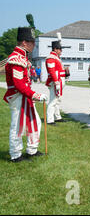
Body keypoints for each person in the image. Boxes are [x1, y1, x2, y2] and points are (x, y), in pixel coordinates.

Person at [4, 27, 48, 162]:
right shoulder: (16, 59)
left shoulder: (22, 58)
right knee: (17, 126)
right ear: (24, 42)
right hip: (18, 96)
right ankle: (15, 154)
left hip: (25, 96)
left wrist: (31, 96)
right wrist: (35, 95)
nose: (33, 45)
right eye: (31, 42)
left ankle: (32, 150)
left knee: (34, 123)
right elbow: (19, 85)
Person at [45, 33, 66, 125]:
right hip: (56, 82)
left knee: (57, 100)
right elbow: (52, 71)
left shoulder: (56, 57)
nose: (61, 51)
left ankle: (57, 117)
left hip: (59, 81)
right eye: (60, 49)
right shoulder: (51, 58)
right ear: (55, 49)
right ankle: (50, 119)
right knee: (53, 101)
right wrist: (57, 83)